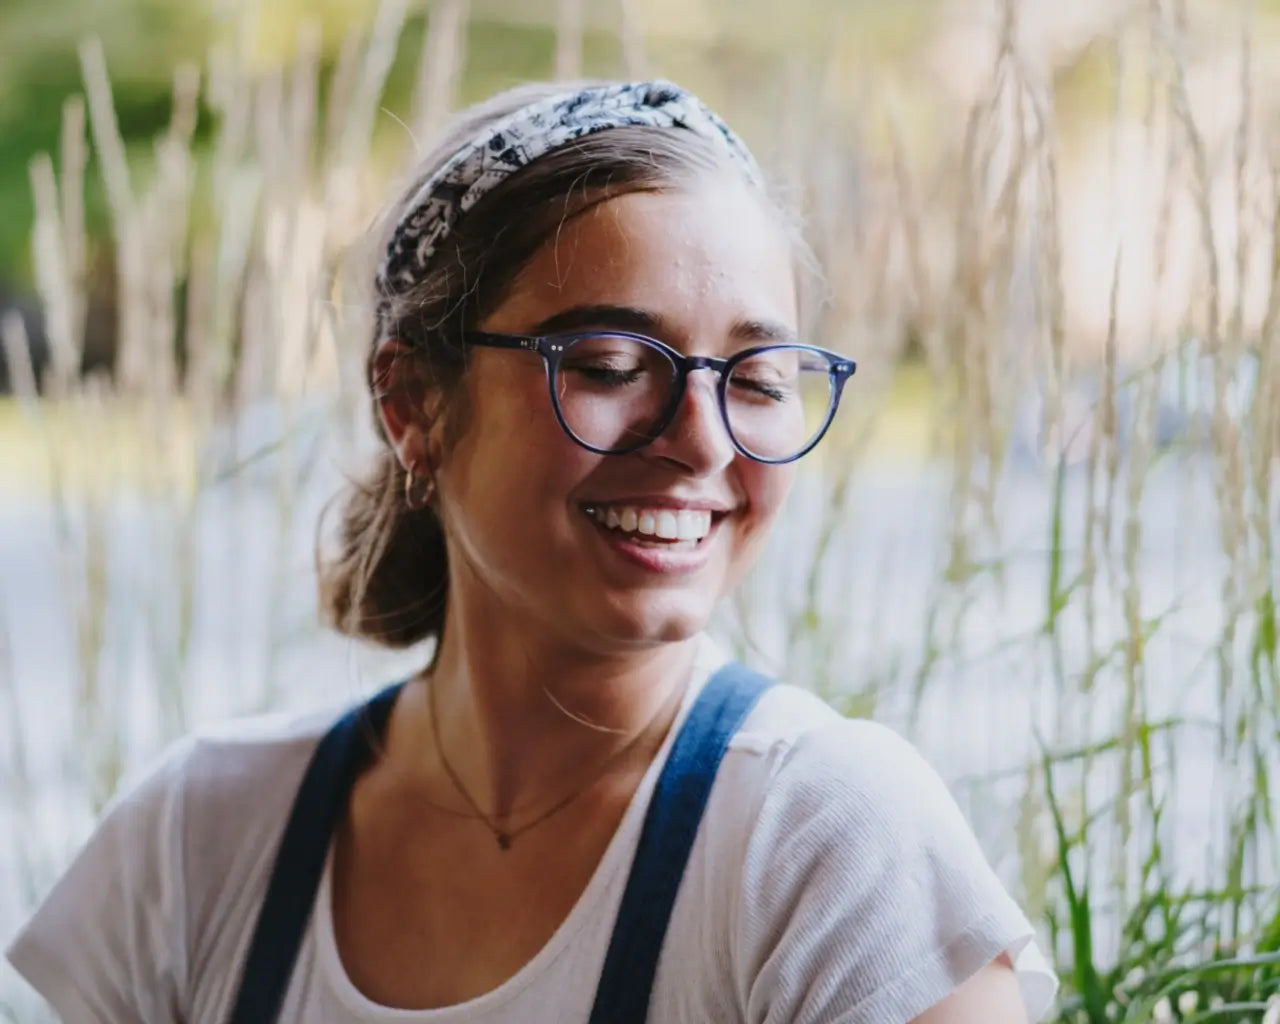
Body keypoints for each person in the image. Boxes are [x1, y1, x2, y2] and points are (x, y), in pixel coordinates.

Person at [5, 79, 1057, 1023]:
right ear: (412, 401)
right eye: (608, 363)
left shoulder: (817, 840)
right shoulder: (201, 840)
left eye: (756, 380)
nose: (699, 439)